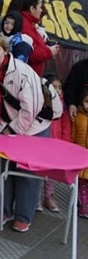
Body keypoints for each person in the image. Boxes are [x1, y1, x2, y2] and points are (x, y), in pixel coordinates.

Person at [0, 32, 51, 233]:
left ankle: (23, 215)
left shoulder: (22, 72)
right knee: (3, 169)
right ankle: (4, 210)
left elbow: (32, 107)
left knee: (26, 172)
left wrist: (13, 130)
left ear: (5, 50)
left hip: (34, 126)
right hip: (5, 126)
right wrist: (2, 129)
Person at [40, 74, 70, 212]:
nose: (57, 90)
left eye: (59, 87)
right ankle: (34, 200)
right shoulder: (42, 104)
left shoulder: (63, 107)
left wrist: (65, 144)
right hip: (42, 144)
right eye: (54, 87)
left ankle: (48, 197)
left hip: (55, 146)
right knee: (37, 174)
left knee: (50, 175)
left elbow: (66, 127)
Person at [18, 0, 59, 76]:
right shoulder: (24, 25)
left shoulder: (30, 24)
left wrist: (45, 47)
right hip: (26, 78)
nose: (41, 10)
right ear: (32, 8)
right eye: (40, 7)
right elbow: (31, 54)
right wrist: (49, 51)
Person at [71, 89, 88, 218]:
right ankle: (83, 206)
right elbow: (73, 135)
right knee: (81, 183)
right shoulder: (78, 117)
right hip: (80, 155)